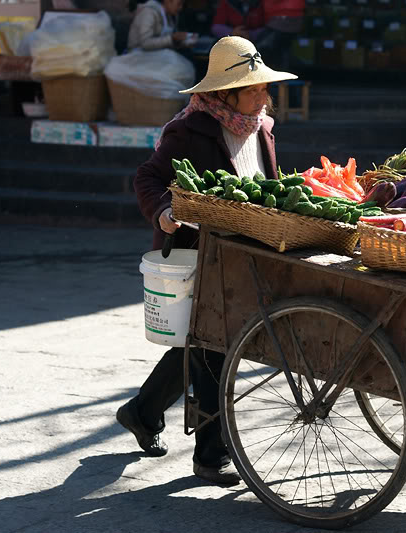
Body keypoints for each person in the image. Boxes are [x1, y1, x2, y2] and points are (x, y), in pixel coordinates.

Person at [119, 36, 297, 485]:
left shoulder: (262, 126)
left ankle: (142, 411)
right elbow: (148, 177)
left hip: (242, 253)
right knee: (212, 349)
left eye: (263, 87)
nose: (262, 95)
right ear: (224, 93)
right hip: (197, 253)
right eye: (252, 88)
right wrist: (164, 212)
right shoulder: (191, 130)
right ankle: (210, 455)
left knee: (198, 344)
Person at [211, 0, 304, 68]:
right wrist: (233, 33)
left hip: (257, 42)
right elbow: (216, 26)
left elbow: (269, 26)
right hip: (232, 42)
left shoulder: (262, 4)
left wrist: (250, 35)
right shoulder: (226, 3)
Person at [127, 0, 193, 52]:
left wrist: (183, 43)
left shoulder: (169, 16)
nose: (181, 8)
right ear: (167, 1)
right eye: (179, 4)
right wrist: (172, 38)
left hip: (156, 55)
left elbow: (165, 43)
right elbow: (145, 43)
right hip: (138, 55)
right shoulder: (149, 12)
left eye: (182, 4)